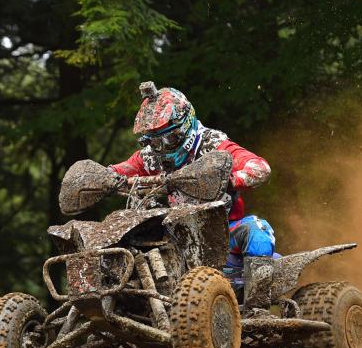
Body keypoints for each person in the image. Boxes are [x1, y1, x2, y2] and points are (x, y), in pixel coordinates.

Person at [109, 82, 276, 280]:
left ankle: (256, 307)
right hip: (172, 237)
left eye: (168, 139)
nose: (161, 147)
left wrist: (231, 179)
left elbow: (260, 167)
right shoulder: (150, 156)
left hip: (222, 234)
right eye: (153, 141)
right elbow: (117, 172)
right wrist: (103, 178)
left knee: (258, 230)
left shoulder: (213, 145)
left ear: (185, 126)